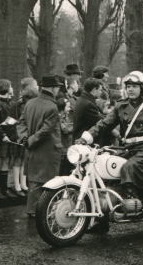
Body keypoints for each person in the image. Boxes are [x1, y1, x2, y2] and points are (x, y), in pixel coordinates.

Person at [78, 71, 143, 218]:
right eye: (128, 86)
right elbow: (104, 124)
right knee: (106, 162)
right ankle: (104, 212)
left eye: (135, 86)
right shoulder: (121, 106)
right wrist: (87, 137)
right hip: (130, 148)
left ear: (142, 88)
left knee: (129, 166)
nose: (130, 89)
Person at [17, 75, 64, 217]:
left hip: (32, 148)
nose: (58, 90)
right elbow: (46, 130)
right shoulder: (52, 106)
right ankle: (41, 211)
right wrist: (30, 140)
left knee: (34, 180)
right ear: (53, 88)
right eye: (57, 87)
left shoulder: (30, 103)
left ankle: (33, 210)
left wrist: (25, 138)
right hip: (48, 148)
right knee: (47, 181)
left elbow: (21, 123)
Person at [73, 78, 106, 145]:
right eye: (99, 90)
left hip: (79, 139)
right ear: (94, 90)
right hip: (85, 142)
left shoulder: (81, 100)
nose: (101, 92)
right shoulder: (89, 104)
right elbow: (101, 123)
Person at [58, 97, 74, 176]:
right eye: (68, 107)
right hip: (62, 148)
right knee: (63, 169)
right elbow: (65, 130)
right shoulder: (60, 118)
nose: (70, 108)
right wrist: (75, 127)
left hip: (67, 147)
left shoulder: (66, 117)